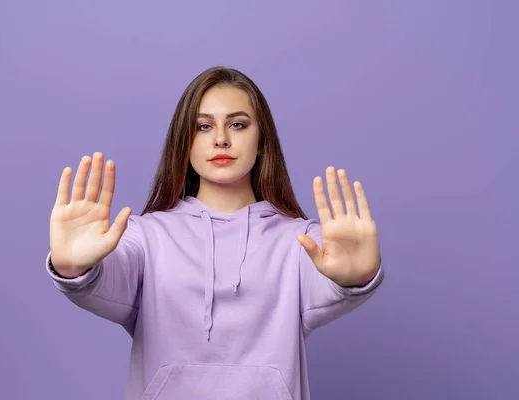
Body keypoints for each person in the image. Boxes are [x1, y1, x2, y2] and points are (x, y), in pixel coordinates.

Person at [45, 66, 384, 400]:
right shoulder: (146, 237)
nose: (221, 139)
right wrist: (75, 269)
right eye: (203, 126)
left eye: (237, 124)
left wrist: (354, 278)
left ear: (262, 140)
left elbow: (326, 283)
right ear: (184, 142)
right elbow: (107, 282)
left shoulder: (301, 242)